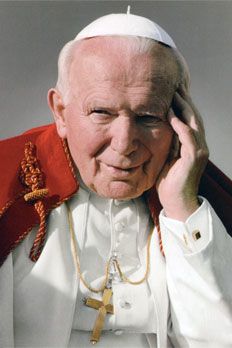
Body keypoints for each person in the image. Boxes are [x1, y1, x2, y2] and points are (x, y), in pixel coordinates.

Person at [0, 11, 232, 348]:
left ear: (181, 118)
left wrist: (183, 211)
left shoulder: (207, 198)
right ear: (61, 112)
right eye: (102, 113)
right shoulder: (7, 185)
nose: (124, 144)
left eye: (148, 116)